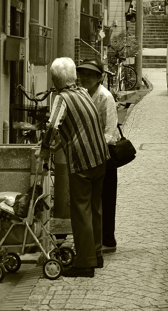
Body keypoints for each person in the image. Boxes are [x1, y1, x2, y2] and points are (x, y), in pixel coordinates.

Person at [39, 57, 109, 278]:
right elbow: (76, 128)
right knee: (94, 208)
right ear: (73, 77)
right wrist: (58, 145)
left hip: (82, 161)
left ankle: (85, 263)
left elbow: (53, 125)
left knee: (80, 211)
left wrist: (44, 148)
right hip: (100, 158)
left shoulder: (62, 98)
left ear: (55, 79)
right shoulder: (83, 93)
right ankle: (96, 255)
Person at [76, 59, 119, 253]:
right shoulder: (82, 94)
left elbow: (110, 131)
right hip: (88, 153)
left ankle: (108, 240)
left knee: (106, 198)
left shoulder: (105, 97)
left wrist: (94, 147)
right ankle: (94, 238)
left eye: (90, 74)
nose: (84, 77)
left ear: (99, 78)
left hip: (105, 153)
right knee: (93, 199)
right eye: (82, 73)